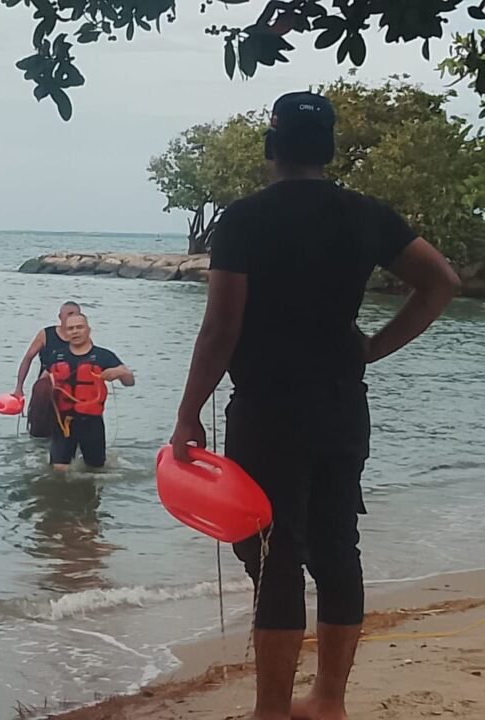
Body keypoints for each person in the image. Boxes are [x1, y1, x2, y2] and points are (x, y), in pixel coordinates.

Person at [169, 91, 460, 720]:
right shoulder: (366, 214)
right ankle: (328, 701)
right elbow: (442, 281)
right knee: (337, 549)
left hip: (269, 410)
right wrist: (374, 346)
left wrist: (189, 411)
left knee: (275, 558)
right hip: (341, 404)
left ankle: (272, 711)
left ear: (271, 146)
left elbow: (221, 328)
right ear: (327, 148)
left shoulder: (245, 219)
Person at [43, 313, 134, 471]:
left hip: (92, 423)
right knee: (59, 469)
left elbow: (130, 381)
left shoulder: (104, 356)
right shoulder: (56, 356)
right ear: (65, 333)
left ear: (88, 330)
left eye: (79, 327)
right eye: (70, 328)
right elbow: (42, 384)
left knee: (95, 469)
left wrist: (119, 373)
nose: (75, 331)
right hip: (63, 423)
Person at [13, 301, 80, 438]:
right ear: (60, 317)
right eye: (70, 314)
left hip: (70, 389)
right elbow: (28, 358)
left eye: (77, 315)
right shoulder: (46, 334)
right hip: (46, 386)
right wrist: (19, 388)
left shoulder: (81, 338)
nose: (73, 318)